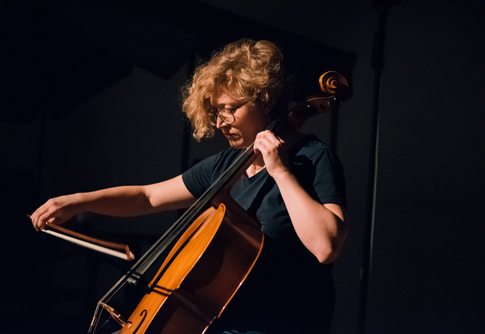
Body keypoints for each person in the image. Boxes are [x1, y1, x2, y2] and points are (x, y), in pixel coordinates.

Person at [30, 39, 348, 334]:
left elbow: (326, 247)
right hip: (226, 323)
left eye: (231, 108)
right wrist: (77, 201)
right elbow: (147, 197)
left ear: (264, 99)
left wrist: (281, 172)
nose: (220, 122)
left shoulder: (312, 159)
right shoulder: (227, 165)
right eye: (215, 112)